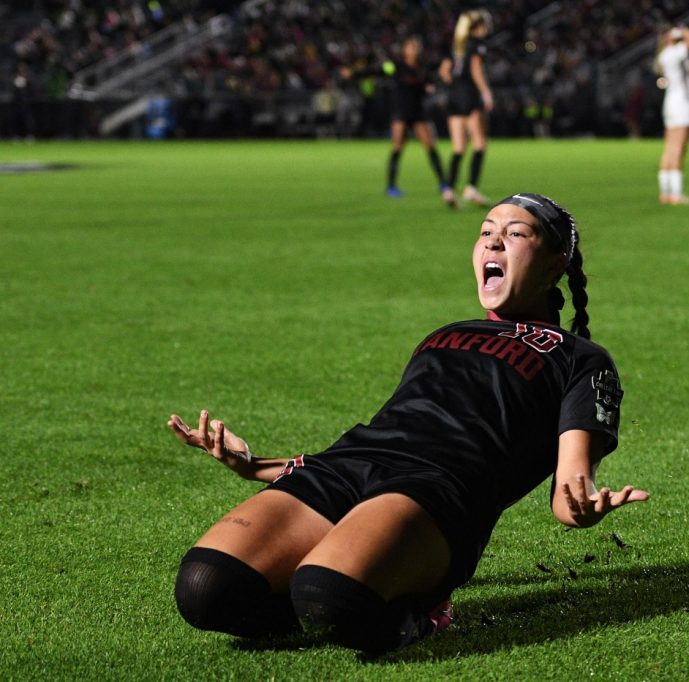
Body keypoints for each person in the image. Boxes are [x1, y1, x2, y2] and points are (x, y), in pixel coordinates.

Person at [167, 192, 649, 655]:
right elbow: (395, 432)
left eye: (515, 233)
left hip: (436, 490)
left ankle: (418, 612)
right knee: (205, 588)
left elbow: (572, 485)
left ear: (555, 262)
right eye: (485, 232)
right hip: (347, 467)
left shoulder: (580, 359)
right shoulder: (444, 335)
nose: (493, 242)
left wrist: (581, 507)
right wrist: (256, 467)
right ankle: (335, 587)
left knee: (326, 594)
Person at [341, 37, 448, 199]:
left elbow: (431, 81)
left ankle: (444, 183)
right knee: (397, 147)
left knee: (431, 146)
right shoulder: (396, 66)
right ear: (404, 50)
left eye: (417, 46)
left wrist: (431, 85)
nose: (415, 49)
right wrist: (355, 74)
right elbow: (376, 70)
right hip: (400, 112)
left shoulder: (423, 68)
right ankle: (391, 186)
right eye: (411, 46)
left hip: (418, 112)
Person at [439, 9, 494, 208]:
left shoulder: (455, 46)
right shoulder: (477, 45)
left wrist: (454, 83)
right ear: (478, 27)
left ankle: (448, 189)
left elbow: (444, 72)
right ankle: (471, 187)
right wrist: (486, 92)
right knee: (479, 143)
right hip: (470, 96)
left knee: (458, 147)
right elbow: (476, 69)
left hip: (454, 96)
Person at [655, 25, 689, 205]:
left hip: (670, 103)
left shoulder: (664, 55)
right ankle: (676, 194)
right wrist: (680, 32)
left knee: (669, 148)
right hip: (681, 103)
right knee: (679, 148)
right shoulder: (674, 52)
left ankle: (666, 193)